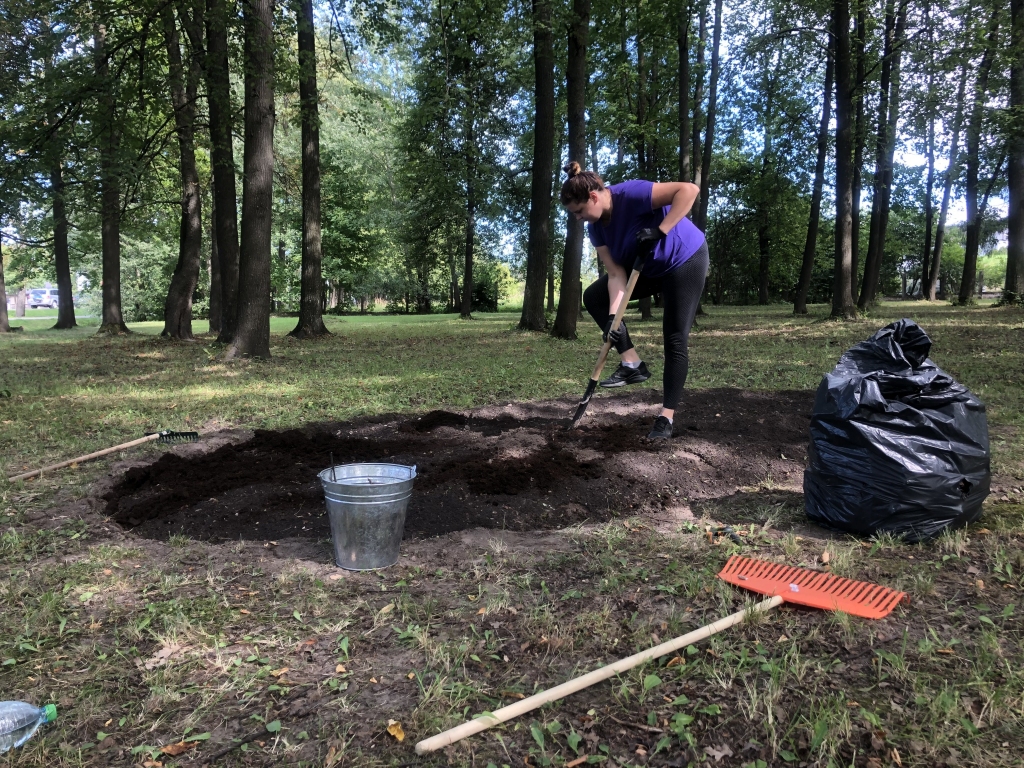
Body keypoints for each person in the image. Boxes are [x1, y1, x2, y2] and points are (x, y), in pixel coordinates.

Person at [561, 162, 709, 439]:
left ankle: (665, 418)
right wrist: (613, 318)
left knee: (675, 338)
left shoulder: (632, 194)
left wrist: (660, 231)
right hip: (649, 268)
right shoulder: (596, 228)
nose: (578, 218)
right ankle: (632, 364)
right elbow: (616, 274)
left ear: (593, 197)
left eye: (579, 211)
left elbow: (689, 190)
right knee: (594, 297)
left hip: (684, 259)